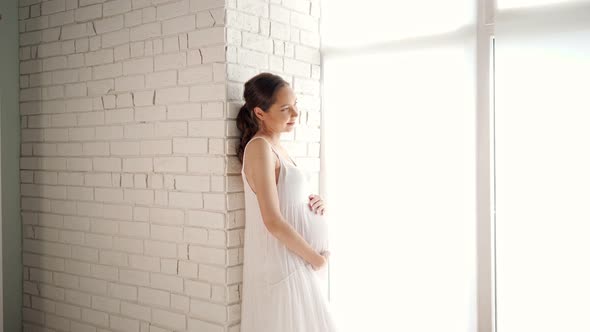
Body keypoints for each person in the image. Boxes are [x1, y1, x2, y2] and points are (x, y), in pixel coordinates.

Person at [236, 72, 338, 332]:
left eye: (295, 105)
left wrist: (316, 205)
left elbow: (288, 200)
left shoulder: (277, 146)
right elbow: (272, 220)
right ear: (260, 113)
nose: (295, 113)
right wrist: (316, 259)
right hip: (282, 266)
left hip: (295, 262)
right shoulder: (259, 148)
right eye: (285, 108)